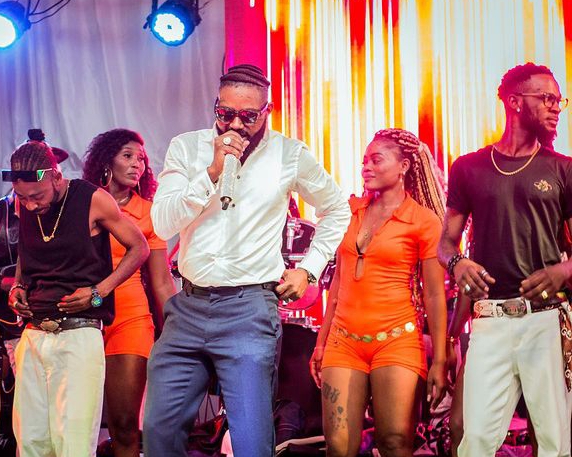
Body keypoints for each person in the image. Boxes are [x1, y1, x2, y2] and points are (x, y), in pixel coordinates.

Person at [144, 63, 351, 456]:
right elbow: (163, 221)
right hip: (188, 307)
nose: (235, 125)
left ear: (266, 111)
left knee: (252, 442)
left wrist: (309, 269)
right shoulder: (187, 147)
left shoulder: (289, 154)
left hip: (248, 310)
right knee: (159, 430)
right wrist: (211, 172)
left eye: (248, 116)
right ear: (215, 106)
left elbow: (337, 208)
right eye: (225, 113)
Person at [438, 62, 572, 457]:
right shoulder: (469, 168)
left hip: (546, 318)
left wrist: (563, 270)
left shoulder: (563, 169)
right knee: (475, 441)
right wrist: (458, 264)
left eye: (559, 100)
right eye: (546, 98)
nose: (555, 107)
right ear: (514, 102)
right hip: (489, 321)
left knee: (554, 444)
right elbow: (445, 243)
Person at [4, 139, 149, 457]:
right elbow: (26, 251)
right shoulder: (24, 202)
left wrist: (100, 291)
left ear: (56, 176)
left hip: (79, 332)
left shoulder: (92, 199)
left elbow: (139, 247)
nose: (30, 205)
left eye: (37, 196)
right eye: (23, 197)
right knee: (30, 443)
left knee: (73, 444)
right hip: (34, 332)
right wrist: (18, 286)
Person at [309, 128, 448, 457]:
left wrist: (441, 359)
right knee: (338, 446)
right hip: (343, 341)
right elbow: (338, 282)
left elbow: (434, 295)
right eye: (364, 162)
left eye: (376, 160)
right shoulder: (349, 211)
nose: (366, 167)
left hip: (397, 341)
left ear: (403, 166)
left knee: (394, 442)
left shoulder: (423, 221)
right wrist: (321, 341)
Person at [83, 128, 176, 457]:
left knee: (124, 422)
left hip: (130, 319)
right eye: (128, 155)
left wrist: (178, 329)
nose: (138, 163)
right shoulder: (82, 203)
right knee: (80, 420)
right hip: (83, 317)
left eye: (142, 158)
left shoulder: (150, 212)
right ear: (106, 161)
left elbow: (162, 281)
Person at [0, 128, 70, 373]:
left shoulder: (65, 211)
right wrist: (6, 283)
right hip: (14, 324)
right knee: (30, 389)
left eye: (51, 167)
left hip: (60, 322)